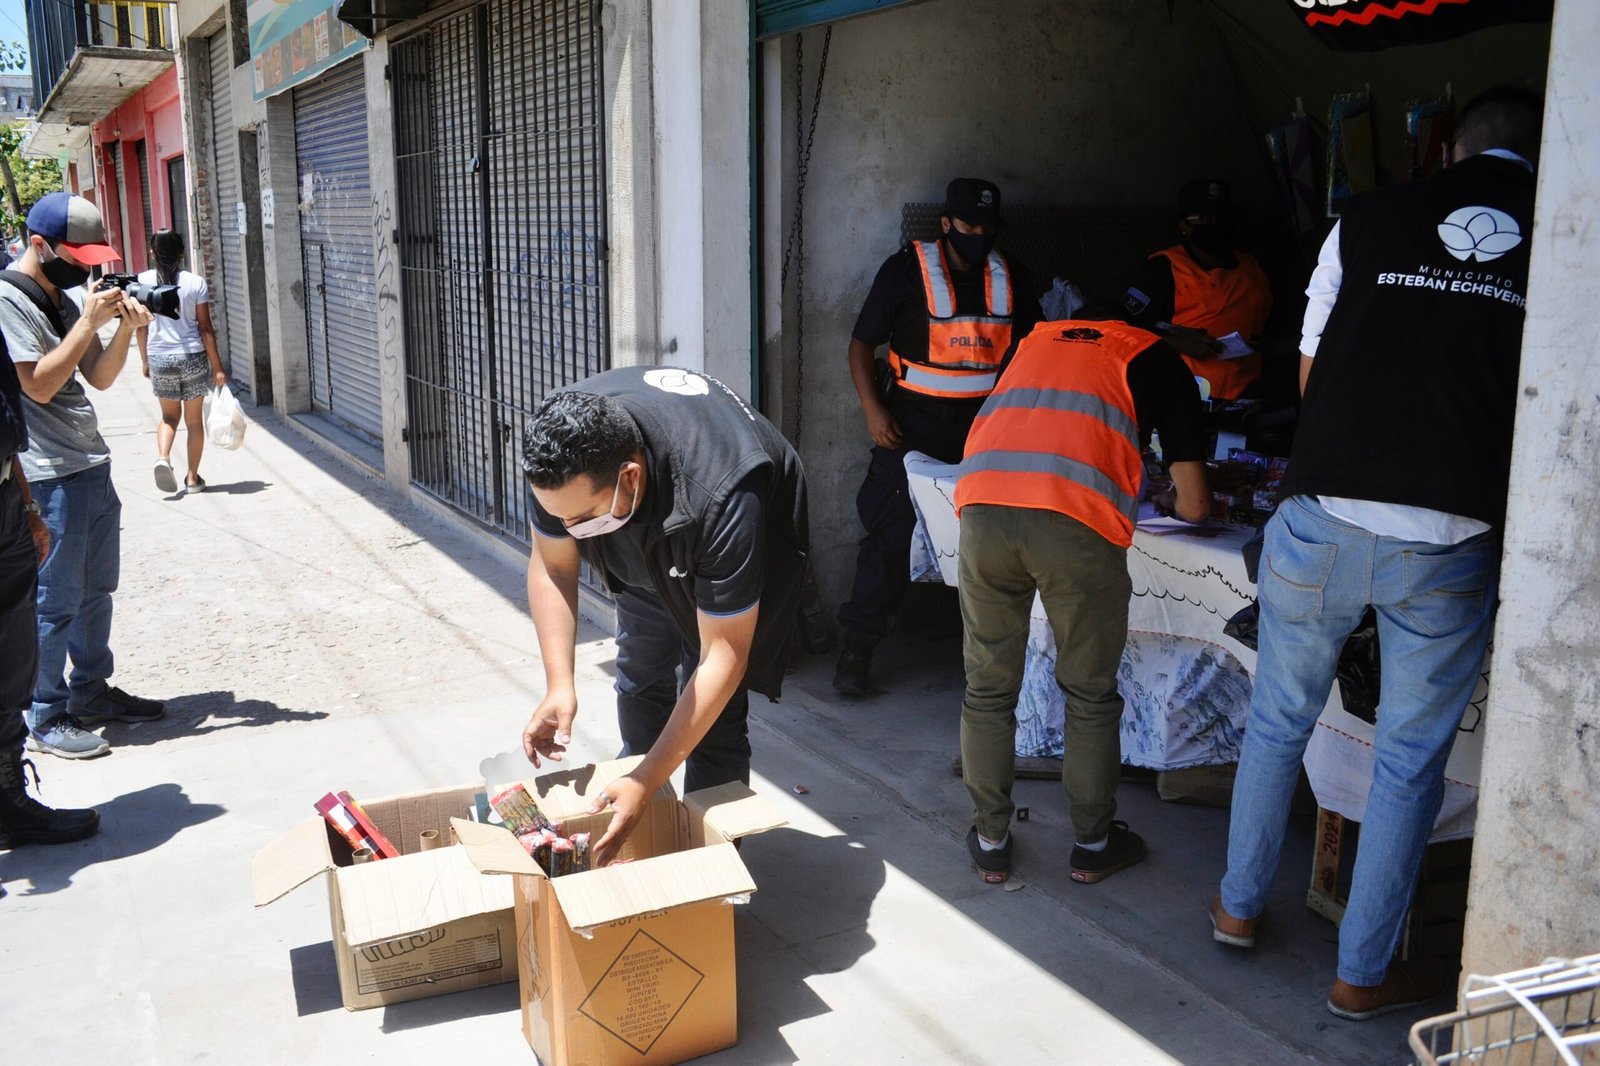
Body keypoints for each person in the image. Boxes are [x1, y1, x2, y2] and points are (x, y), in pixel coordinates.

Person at [1213, 85, 1542, 1020]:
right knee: (1408, 760)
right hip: (1451, 533)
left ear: (1450, 152)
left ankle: (1236, 911)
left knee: (1279, 719)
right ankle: (1360, 975)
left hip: (1328, 510)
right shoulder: (1566, 231)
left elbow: (1311, 371)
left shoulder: (1367, 217)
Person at [954, 310, 1208, 886]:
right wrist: (1158, 494)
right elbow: (1195, 506)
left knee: (988, 685)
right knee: (1089, 692)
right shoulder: (1157, 359)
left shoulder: (1035, 339)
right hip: (1073, 523)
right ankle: (1092, 844)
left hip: (984, 506)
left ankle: (990, 840)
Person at [519, 366, 808, 866]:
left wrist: (647, 778)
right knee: (639, 678)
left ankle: (710, 871)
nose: (569, 530)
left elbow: (723, 657)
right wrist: (559, 684)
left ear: (630, 477)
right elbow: (552, 564)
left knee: (715, 722)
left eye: (581, 520)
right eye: (559, 517)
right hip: (650, 540)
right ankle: (638, 814)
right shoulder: (563, 463)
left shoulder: (724, 493)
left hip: (721, 539)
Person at [835, 177, 1042, 697]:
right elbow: (862, 344)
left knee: (992, 544)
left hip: (988, 435)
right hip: (909, 432)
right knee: (890, 536)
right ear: (946, 223)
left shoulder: (1012, 275)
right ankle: (857, 649)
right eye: (969, 224)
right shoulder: (905, 271)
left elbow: (1037, 353)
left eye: (987, 227)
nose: (979, 234)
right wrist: (873, 412)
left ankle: (986, 652)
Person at [0, 192, 165, 761]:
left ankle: (91, 692)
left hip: (90, 464)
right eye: (76, 256)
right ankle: (45, 715)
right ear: (39, 246)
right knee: (54, 601)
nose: (86, 269)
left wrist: (121, 329)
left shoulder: (65, 299)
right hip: (47, 477)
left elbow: (96, 376)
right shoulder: (8, 301)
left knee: (97, 593)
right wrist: (88, 320)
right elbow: (39, 385)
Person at [1, 326, 100, 845]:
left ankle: (10, 801)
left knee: (14, 654)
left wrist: (27, 507)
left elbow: (9, 431)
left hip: (6, 503)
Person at [1121, 179, 1273, 400]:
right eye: (1205, 219)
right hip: (1184, 397)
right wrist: (1176, 342)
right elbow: (1123, 332)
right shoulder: (1162, 268)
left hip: (1250, 396)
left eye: (1222, 218)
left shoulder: (1254, 269)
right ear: (1184, 225)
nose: (1215, 225)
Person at [137, 229, 227, 494]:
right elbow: (206, 329)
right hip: (192, 357)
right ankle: (192, 478)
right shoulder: (195, 283)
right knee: (194, 421)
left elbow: (140, 327)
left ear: (152, 253)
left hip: (159, 357)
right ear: (182, 252)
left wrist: (145, 360)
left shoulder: (142, 281)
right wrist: (218, 367)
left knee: (168, 417)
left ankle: (163, 457)